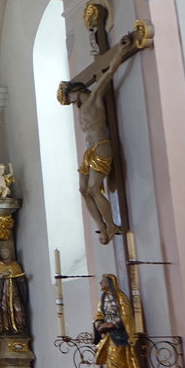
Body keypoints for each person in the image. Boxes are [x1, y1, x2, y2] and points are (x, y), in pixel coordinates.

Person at [57, 37, 134, 244]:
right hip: (90, 150)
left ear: (76, 91)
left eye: (68, 96)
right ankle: (101, 226)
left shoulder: (94, 99)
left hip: (102, 146)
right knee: (83, 190)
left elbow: (109, 73)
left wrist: (120, 52)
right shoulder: (81, 109)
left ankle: (111, 225)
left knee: (93, 188)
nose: (69, 101)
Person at [93, 274, 152, 368]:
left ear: (110, 282)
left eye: (102, 281)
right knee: (111, 363)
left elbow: (126, 316)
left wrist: (113, 324)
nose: (100, 283)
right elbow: (99, 315)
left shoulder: (120, 297)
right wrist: (99, 325)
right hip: (110, 336)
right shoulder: (103, 298)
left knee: (117, 362)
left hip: (120, 336)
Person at [0, 246, 28, 335]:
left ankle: (20, 328)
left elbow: (20, 279)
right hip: (3, 292)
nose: (3, 254)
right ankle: (6, 329)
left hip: (14, 291)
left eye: (5, 252)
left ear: (10, 253)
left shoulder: (15, 265)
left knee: (18, 308)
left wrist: (21, 279)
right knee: (4, 309)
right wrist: (1, 275)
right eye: (2, 252)